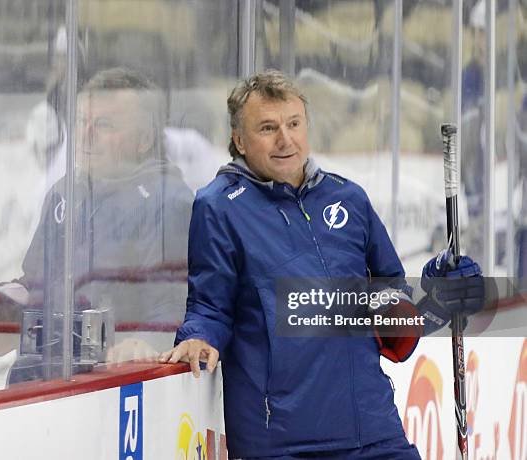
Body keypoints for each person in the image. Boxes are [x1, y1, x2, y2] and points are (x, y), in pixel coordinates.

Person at [160, 70, 484, 459]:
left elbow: (391, 306)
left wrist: (437, 290)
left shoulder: (348, 197)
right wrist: (198, 336)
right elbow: (209, 305)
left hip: (374, 430)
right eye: (268, 128)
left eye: (294, 124)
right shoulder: (218, 206)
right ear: (239, 140)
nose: (286, 139)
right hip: (283, 444)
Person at [0, 67, 194, 382]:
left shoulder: (168, 203)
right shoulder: (66, 193)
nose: (85, 135)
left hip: (111, 395)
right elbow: (36, 292)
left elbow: (176, 311)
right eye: (80, 122)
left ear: (144, 139)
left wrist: (146, 344)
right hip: (42, 386)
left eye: (103, 125)